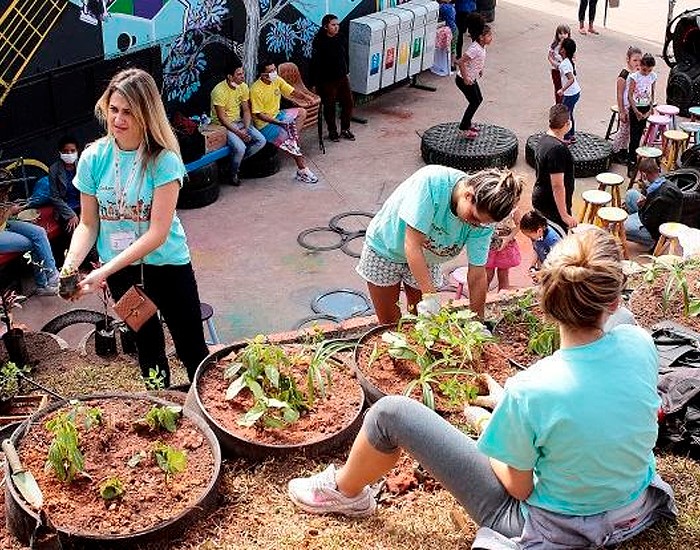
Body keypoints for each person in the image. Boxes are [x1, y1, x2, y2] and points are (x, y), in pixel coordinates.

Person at [287, 229, 677, 549]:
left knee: (391, 413)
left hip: (558, 530)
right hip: (634, 508)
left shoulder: (532, 389)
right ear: (612, 299)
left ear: (546, 302)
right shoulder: (639, 342)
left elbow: (519, 489)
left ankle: (344, 492)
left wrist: (491, 428)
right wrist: (514, 408)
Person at [63, 68, 209, 387]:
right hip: (123, 276)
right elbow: (88, 223)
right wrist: (70, 268)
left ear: (146, 113)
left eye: (128, 112)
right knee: (147, 348)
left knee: (191, 348)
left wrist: (100, 273)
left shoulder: (164, 160)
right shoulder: (92, 158)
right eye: (113, 109)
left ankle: (213, 418)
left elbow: (157, 233)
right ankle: (163, 415)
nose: (118, 120)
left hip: (168, 267)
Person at [356, 165, 522, 324]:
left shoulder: (484, 220)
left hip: (428, 258)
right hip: (386, 249)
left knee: (422, 321)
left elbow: (477, 273)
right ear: (468, 195)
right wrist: (430, 295)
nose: (475, 225)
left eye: (483, 223)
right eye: (474, 218)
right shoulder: (432, 184)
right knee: (390, 323)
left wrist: (478, 322)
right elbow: (412, 245)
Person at [250, 60, 319, 184]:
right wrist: (278, 122)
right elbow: (258, 115)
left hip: (278, 115)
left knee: (302, 112)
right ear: (262, 75)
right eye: (270, 71)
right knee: (291, 143)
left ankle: (293, 137)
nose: (274, 73)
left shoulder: (276, 80)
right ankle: (303, 170)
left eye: (274, 69)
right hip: (265, 124)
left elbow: (292, 91)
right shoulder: (255, 90)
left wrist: (306, 97)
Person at [210, 57, 266, 186]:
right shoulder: (218, 91)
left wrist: (246, 129)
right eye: (239, 74)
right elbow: (222, 118)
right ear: (230, 76)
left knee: (261, 140)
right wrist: (239, 133)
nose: (242, 76)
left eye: (243, 73)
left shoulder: (243, 87)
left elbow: (246, 111)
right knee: (240, 148)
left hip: (239, 121)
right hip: (223, 126)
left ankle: (235, 164)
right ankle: (233, 173)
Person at [309, 14, 355, 143]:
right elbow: (314, 64)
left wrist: (347, 71)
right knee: (330, 106)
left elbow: (345, 55)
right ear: (325, 27)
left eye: (337, 25)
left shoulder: (341, 38)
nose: (336, 27)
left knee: (348, 102)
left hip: (342, 76)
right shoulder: (319, 42)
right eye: (333, 25)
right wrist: (313, 83)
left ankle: (345, 128)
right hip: (327, 80)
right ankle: (332, 131)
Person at [532, 104, 578, 231]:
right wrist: (564, 215)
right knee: (556, 243)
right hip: (552, 206)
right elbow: (557, 186)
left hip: (541, 198)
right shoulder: (557, 150)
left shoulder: (543, 140)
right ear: (567, 124)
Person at [0, 202, 59, 296]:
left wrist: (13, 213)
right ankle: (43, 284)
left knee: (39, 232)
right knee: (33, 244)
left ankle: (52, 274)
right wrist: (10, 211)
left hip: (5, 223)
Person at [625, 158, 682, 248]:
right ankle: (634, 222)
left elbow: (649, 221)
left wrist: (642, 206)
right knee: (631, 194)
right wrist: (645, 192)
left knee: (621, 225)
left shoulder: (660, 198)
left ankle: (650, 243)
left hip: (656, 231)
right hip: (654, 216)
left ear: (643, 175)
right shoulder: (662, 181)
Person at [455, 15, 492, 140]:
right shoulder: (474, 48)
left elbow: (477, 60)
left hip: (472, 79)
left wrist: (480, 69)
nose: (491, 38)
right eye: (489, 36)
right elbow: (461, 62)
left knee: (478, 99)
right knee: (474, 102)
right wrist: (465, 78)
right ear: (481, 38)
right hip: (464, 80)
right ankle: (464, 128)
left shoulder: (481, 46)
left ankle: (467, 123)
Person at [612, 46, 643, 164]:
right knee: (623, 130)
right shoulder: (624, 75)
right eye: (635, 60)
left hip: (634, 107)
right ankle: (615, 151)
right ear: (628, 60)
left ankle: (623, 150)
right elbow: (619, 94)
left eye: (640, 60)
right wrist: (622, 111)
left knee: (629, 131)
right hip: (625, 107)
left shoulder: (638, 74)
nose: (637, 63)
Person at [627, 53, 658, 172]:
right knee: (634, 136)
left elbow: (652, 92)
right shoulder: (634, 77)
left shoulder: (653, 76)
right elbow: (630, 95)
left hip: (646, 107)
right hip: (636, 107)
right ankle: (631, 161)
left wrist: (650, 108)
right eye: (645, 70)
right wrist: (635, 111)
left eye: (649, 70)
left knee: (640, 134)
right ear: (640, 65)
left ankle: (637, 157)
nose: (646, 72)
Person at [484, 208, 521, 292]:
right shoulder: (490, 203)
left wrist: (508, 238)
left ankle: (502, 300)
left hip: (505, 246)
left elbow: (519, 224)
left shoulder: (513, 208)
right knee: (487, 275)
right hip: (490, 244)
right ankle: (481, 300)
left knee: (503, 275)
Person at [557, 37, 580, 143]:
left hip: (570, 94)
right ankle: (571, 135)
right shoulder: (567, 61)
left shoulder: (565, 64)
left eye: (561, 46)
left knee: (565, 115)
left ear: (564, 50)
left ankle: (566, 137)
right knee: (569, 113)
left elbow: (571, 79)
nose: (559, 47)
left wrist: (562, 89)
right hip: (575, 93)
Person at [547, 24, 570, 105]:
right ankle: (558, 104)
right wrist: (555, 64)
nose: (562, 35)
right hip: (555, 70)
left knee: (566, 88)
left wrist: (564, 65)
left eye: (565, 33)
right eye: (560, 33)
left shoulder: (570, 45)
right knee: (557, 87)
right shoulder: (554, 45)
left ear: (568, 34)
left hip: (566, 71)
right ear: (557, 34)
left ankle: (564, 104)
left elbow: (573, 58)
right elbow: (549, 56)